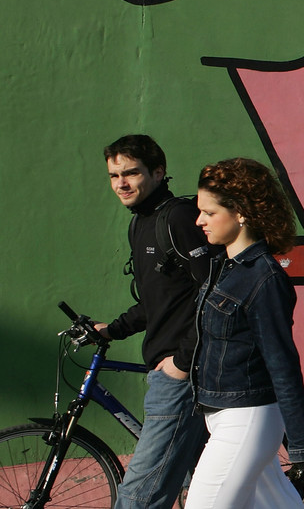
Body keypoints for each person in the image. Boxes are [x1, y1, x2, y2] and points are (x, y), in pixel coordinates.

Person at [186, 157, 304, 508]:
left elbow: (282, 363)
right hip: (221, 413)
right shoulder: (224, 267)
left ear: (241, 212)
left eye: (209, 213)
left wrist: (301, 442)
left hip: (247, 418)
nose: (199, 220)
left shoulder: (264, 280)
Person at [96, 134, 211, 509]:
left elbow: (217, 293)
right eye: (114, 176)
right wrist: (111, 330)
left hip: (181, 373)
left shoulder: (176, 218)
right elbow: (155, 302)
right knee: (216, 484)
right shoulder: (140, 224)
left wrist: (182, 361)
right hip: (169, 367)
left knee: (138, 496)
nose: (121, 184)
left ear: (158, 172)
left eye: (131, 173)